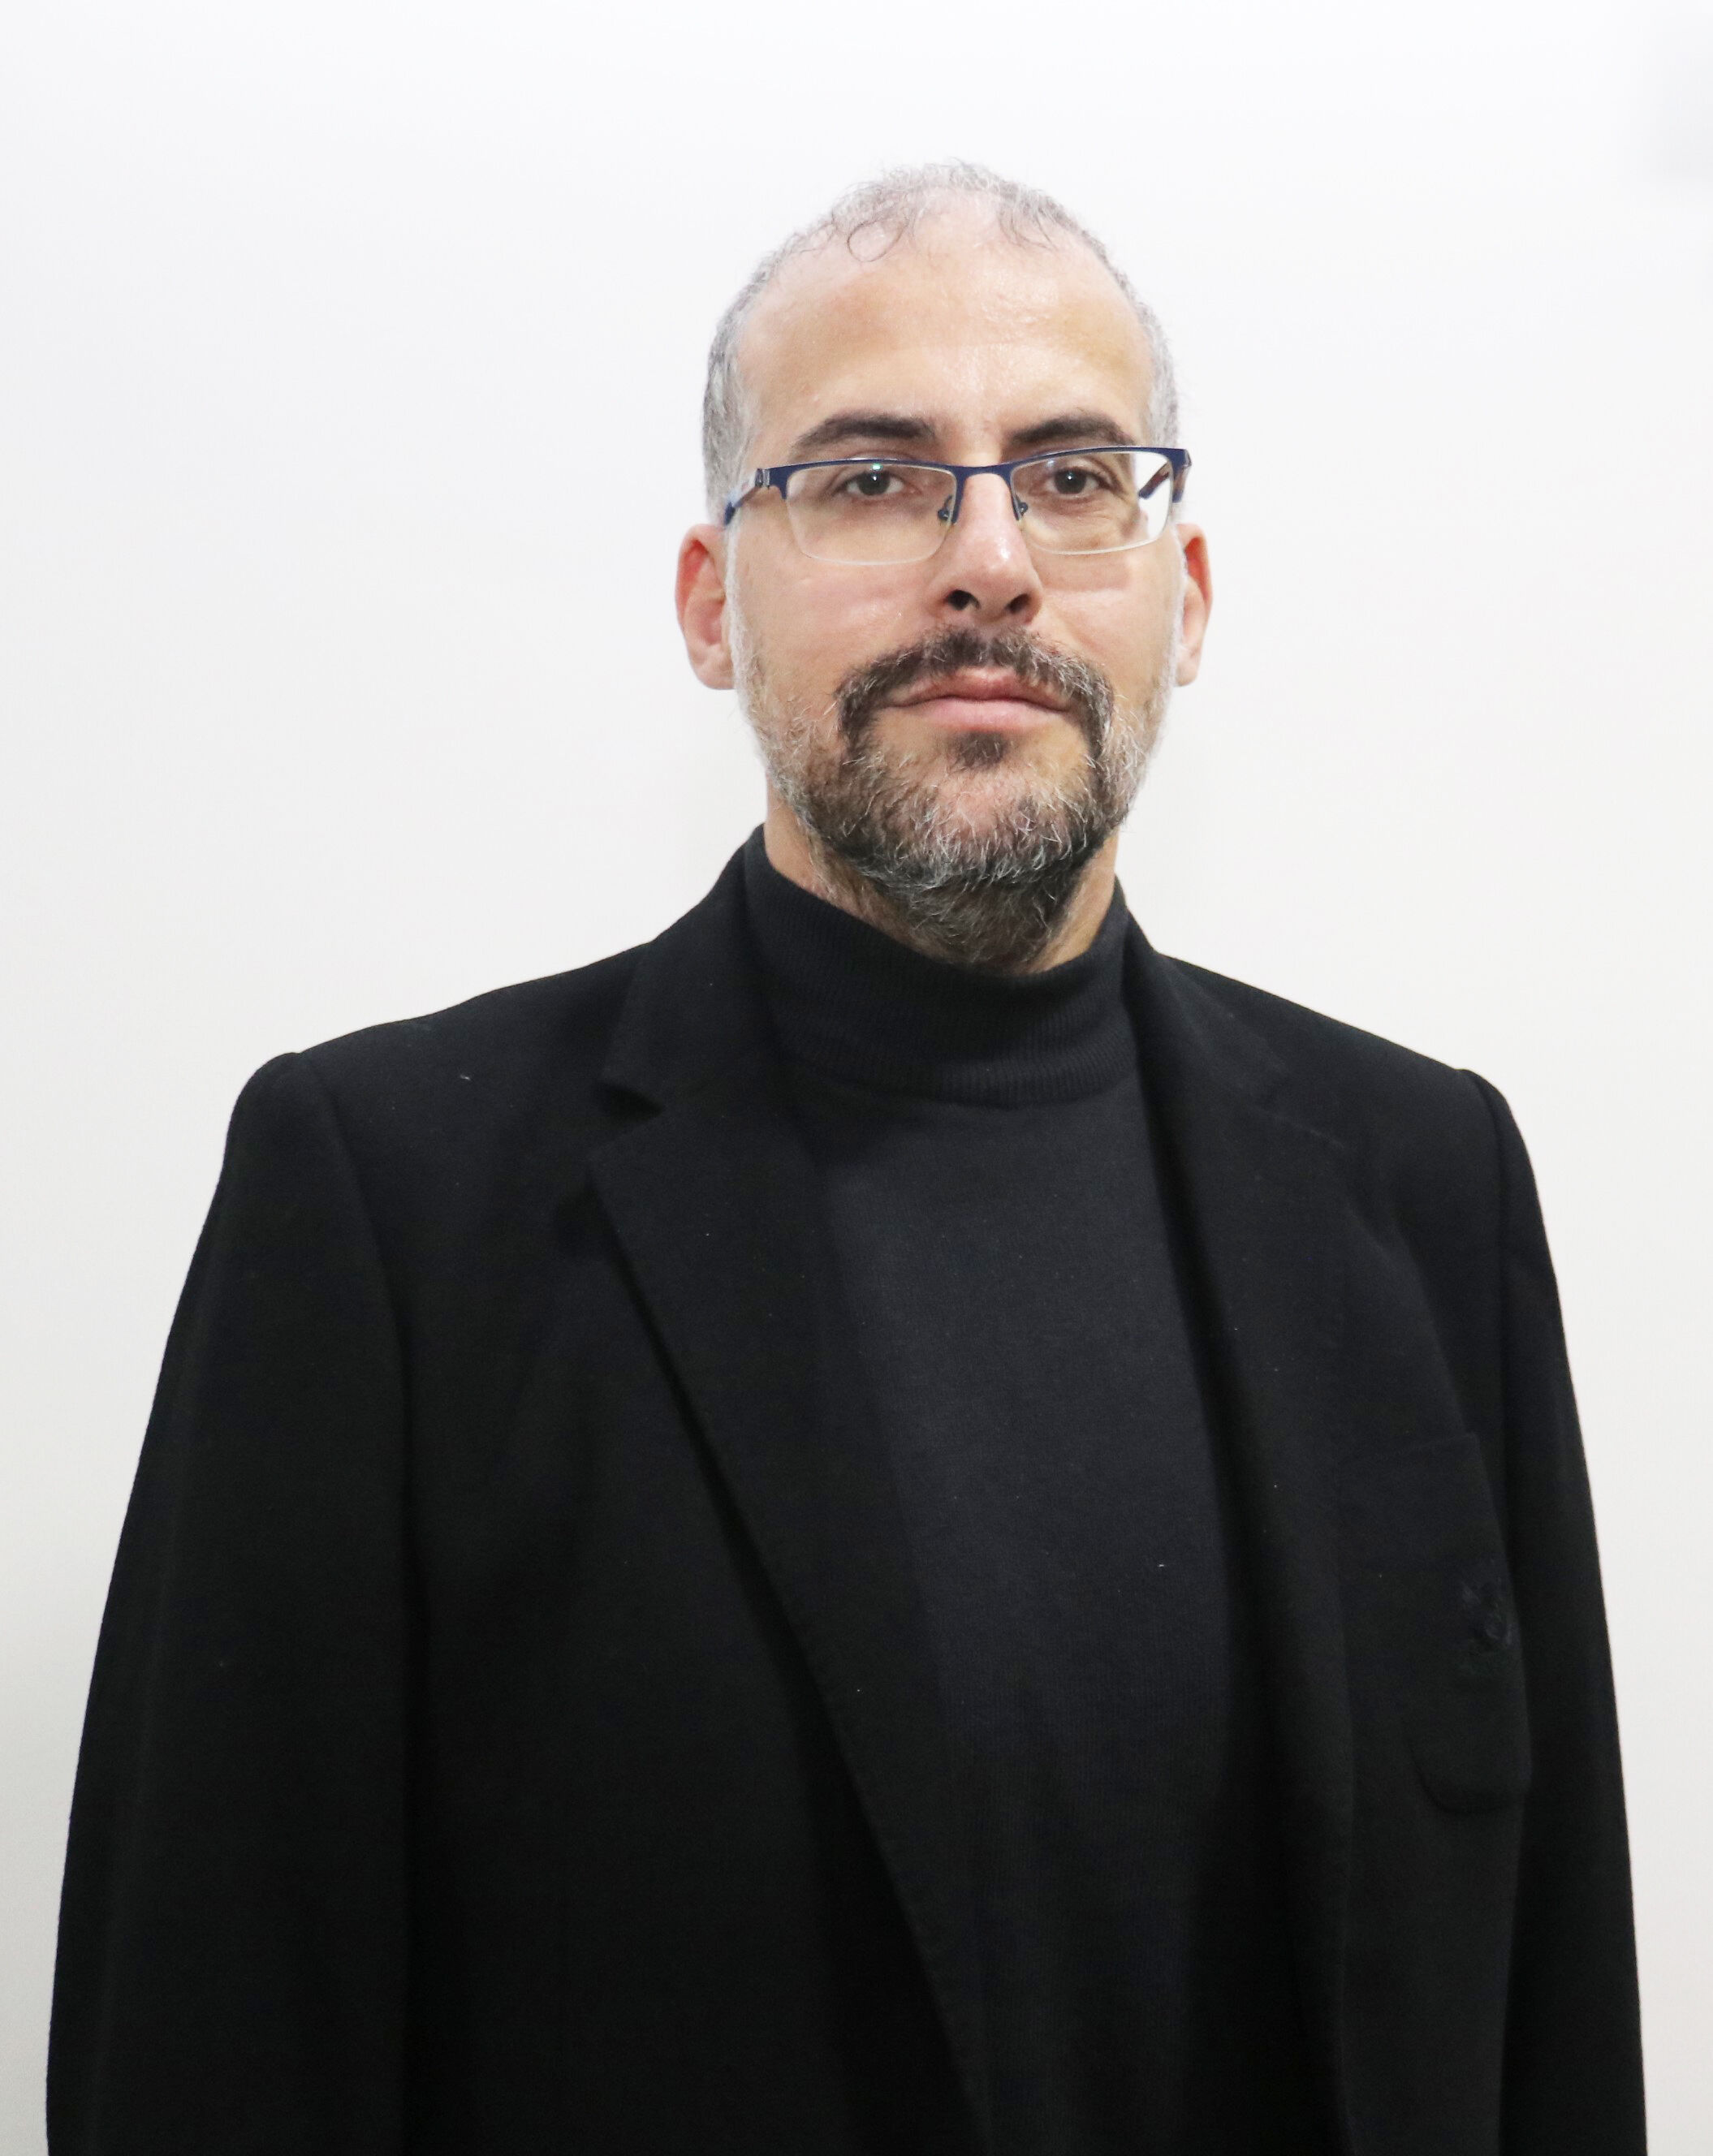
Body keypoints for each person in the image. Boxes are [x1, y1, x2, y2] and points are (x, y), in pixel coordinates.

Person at [50, 163, 1644, 2156]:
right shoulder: (388, 1207)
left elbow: (1548, 2013)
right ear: (709, 602)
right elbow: (208, 2045)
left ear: (1184, 595)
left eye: (1071, 475)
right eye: (874, 478)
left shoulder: (1422, 1182)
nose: (988, 559)